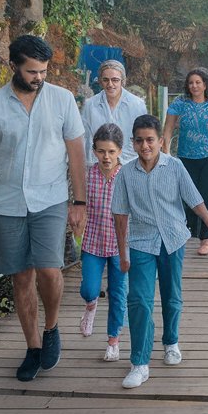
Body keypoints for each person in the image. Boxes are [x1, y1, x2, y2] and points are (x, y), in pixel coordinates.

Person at [0, 34, 86, 382]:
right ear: (14, 66)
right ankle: (33, 347)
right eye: (32, 71)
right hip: (6, 202)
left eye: (44, 71)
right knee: (21, 277)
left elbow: (77, 153)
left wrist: (80, 201)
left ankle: (51, 328)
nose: (39, 77)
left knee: (50, 270)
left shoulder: (63, 101)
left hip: (50, 197)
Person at [112, 115, 208, 388]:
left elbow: (195, 200)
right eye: (139, 140)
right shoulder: (126, 173)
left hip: (173, 239)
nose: (145, 146)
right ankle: (139, 362)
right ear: (133, 143)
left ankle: (171, 341)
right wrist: (122, 254)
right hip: (140, 242)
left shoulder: (174, 167)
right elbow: (119, 216)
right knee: (139, 300)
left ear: (161, 141)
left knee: (171, 296)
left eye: (150, 140)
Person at [162, 68, 208, 256]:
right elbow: (167, 129)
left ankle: (206, 238)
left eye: (198, 82)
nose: (194, 86)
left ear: (205, 84)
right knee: (186, 196)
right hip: (185, 157)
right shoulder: (180, 104)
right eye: (191, 82)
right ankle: (190, 231)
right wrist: (165, 152)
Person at [78, 123, 127, 361]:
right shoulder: (88, 175)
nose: (106, 157)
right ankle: (91, 305)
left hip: (121, 246)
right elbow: (77, 204)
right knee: (89, 288)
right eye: (101, 151)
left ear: (119, 150)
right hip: (93, 242)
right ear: (94, 151)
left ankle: (113, 341)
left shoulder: (128, 175)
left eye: (111, 151)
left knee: (118, 293)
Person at [81, 59, 148, 166]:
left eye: (115, 80)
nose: (110, 84)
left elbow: (142, 137)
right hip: (98, 166)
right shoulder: (90, 105)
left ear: (123, 81)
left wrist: (120, 161)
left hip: (129, 164)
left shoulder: (137, 105)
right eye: (106, 80)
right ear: (100, 81)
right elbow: (85, 138)